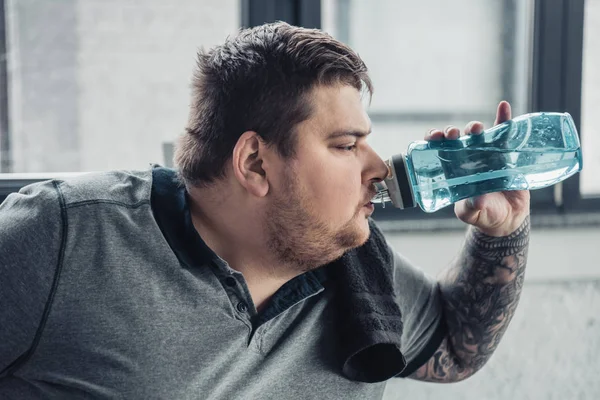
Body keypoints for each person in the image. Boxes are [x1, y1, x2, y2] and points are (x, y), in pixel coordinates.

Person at [0, 22, 530, 399]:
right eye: (346, 145)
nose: (378, 167)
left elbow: (459, 350)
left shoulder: (356, 266)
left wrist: (502, 232)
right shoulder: (59, 239)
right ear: (255, 163)